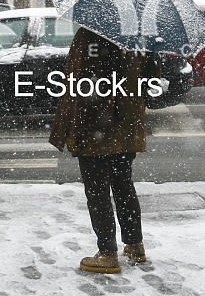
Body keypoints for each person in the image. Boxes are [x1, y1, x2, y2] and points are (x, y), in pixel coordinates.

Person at [49, 27, 161, 274]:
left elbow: (81, 80)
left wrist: (80, 125)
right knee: (122, 183)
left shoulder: (91, 33)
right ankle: (134, 245)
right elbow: (153, 78)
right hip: (127, 123)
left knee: (97, 189)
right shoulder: (139, 32)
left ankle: (107, 252)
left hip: (95, 125)